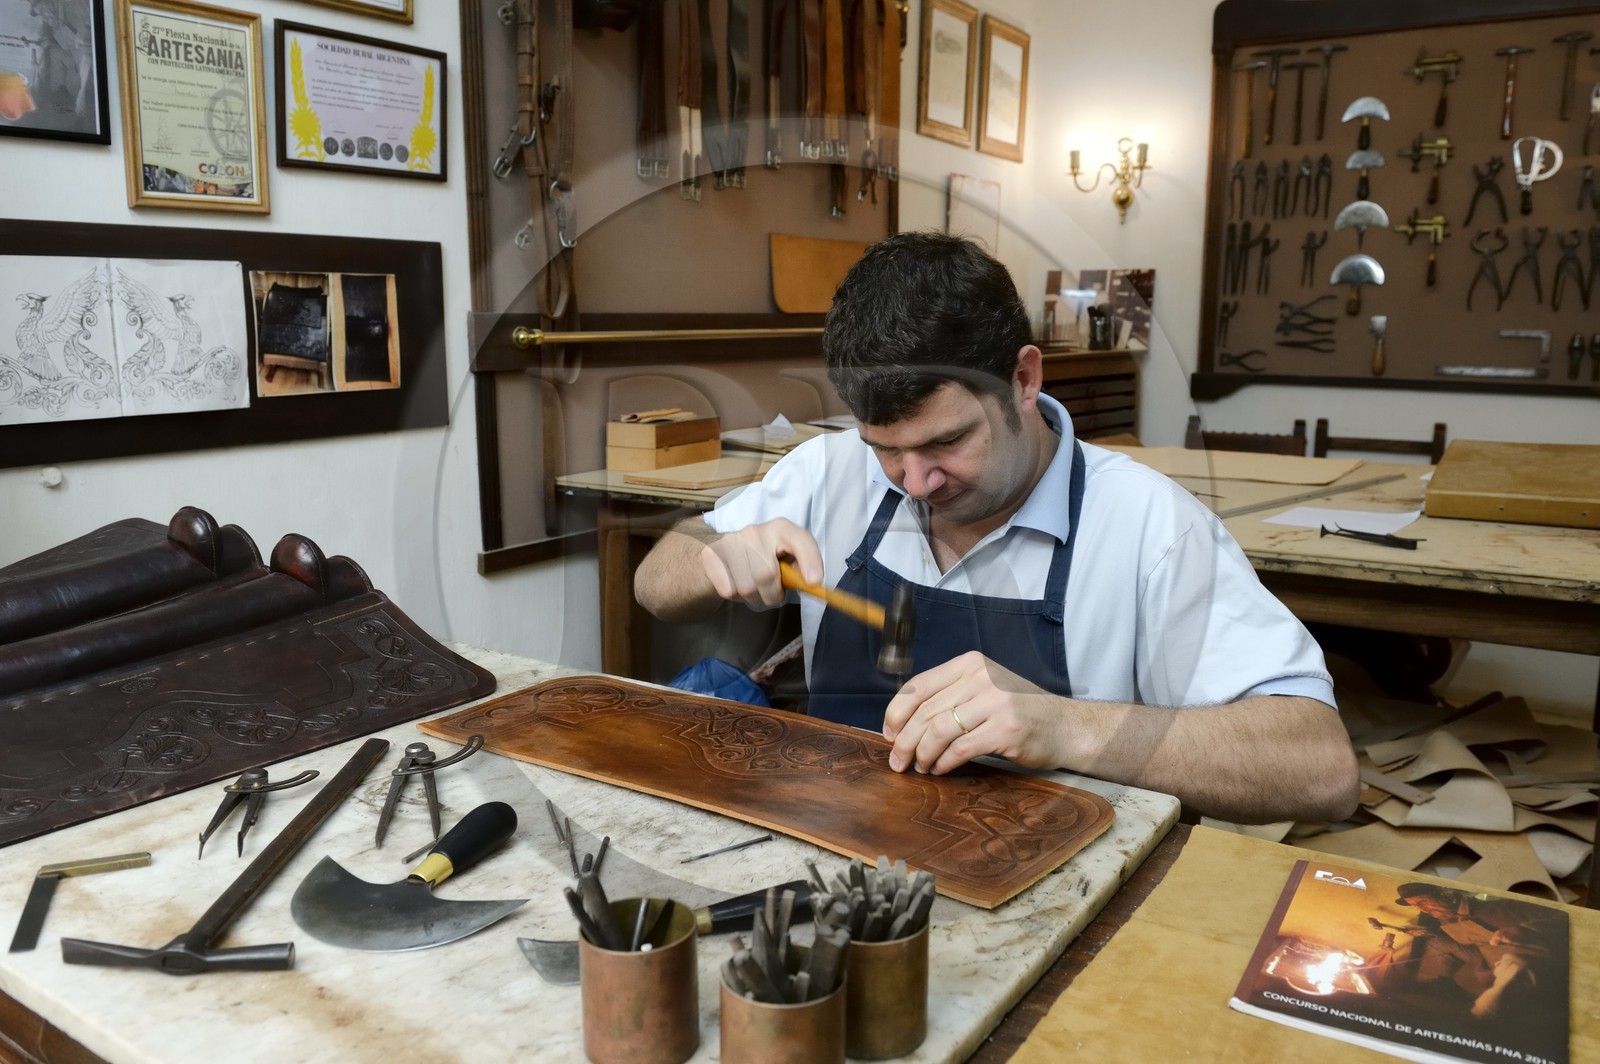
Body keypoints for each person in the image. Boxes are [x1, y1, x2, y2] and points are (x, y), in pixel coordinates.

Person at [634, 231, 1358, 824]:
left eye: (947, 442)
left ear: (1024, 380)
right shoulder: (827, 471)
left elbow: (1319, 769)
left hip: (1055, 898)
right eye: (887, 448)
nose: (916, 480)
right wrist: (715, 556)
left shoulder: (1150, 527)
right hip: (833, 849)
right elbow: (654, 583)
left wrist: (1066, 726)